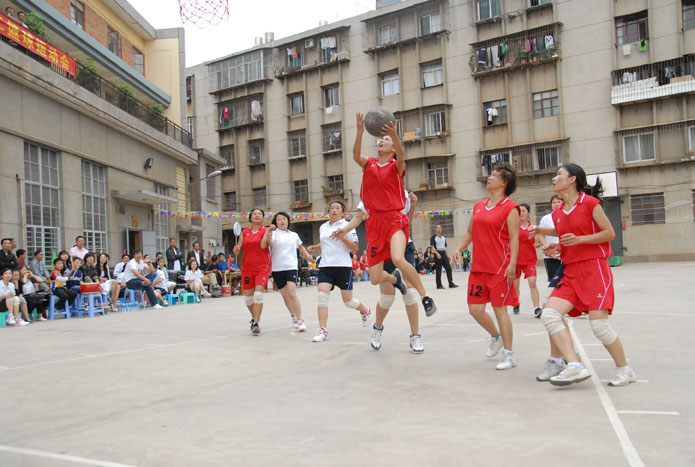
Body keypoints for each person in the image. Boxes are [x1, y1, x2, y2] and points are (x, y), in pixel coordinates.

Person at [532, 163, 636, 387]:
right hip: (570, 271)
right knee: (550, 314)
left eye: (558, 174)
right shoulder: (558, 212)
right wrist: (556, 245)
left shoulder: (590, 203)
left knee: (600, 327)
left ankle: (625, 369)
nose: (554, 178)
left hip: (594, 269)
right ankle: (574, 365)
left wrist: (580, 240)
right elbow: (564, 233)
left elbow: (609, 233)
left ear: (572, 179)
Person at [350, 113, 436, 316]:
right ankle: (395, 279)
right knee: (374, 278)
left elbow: (402, 155)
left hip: (394, 218)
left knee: (398, 258)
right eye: (380, 139)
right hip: (374, 222)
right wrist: (360, 131)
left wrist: (394, 134)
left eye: (386, 140)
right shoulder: (369, 164)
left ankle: (426, 297)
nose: (381, 141)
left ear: (393, 149)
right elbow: (356, 156)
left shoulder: (396, 166)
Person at [335, 190, 425, 352]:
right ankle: (378, 328)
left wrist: (413, 206)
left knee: (409, 293)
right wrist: (345, 229)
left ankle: (415, 336)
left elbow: (407, 221)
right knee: (387, 298)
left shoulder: (403, 194)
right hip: (382, 246)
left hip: (403, 244)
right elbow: (358, 217)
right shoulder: (372, 191)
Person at [454, 164, 520, 371]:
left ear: (504, 182)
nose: (489, 178)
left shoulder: (510, 208)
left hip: (499, 267)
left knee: (500, 310)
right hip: (479, 267)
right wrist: (459, 248)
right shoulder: (479, 206)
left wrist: (512, 264)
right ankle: (496, 337)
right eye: (490, 174)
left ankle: (509, 354)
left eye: (494, 175)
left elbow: (515, 238)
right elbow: (470, 232)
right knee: (475, 310)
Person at [306, 201, 371, 342]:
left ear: (343, 212)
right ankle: (322, 330)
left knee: (348, 301)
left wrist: (342, 236)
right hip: (326, 266)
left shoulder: (347, 226)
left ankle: (365, 310)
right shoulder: (323, 226)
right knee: (322, 296)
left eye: (337, 208)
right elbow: (327, 243)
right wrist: (316, 247)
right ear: (328, 211)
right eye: (332, 208)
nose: (334, 210)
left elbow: (354, 248)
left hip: (343, 266)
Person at [264, 212, 313, 332]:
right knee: (285, 295)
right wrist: (269, 234)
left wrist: (307, 255)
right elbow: (270, 243)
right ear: (276, 222)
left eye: (284, 219)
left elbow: (300, 246)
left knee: (292, 293)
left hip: (291, 266)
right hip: (277, 268)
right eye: (279, 219)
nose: (282, 221)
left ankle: (300, 319)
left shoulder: (294, 235)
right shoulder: (273, 234)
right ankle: (293, 316)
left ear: (288, 221)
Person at [233, 208, 271, 334]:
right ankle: (255, 317)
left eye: (260, 214)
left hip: (262, 267)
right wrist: (236, 249)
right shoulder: (245, 232)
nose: (257, 215)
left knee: (258, 295)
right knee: (248, 299)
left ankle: (256, 323)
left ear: (263, 218)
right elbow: (239, 248)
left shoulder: (266, 230)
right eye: (254, 214)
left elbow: (267, 244)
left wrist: (269, 234)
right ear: (250, 217)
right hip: (247, 267)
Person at [535, 194, 564, 316]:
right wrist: (545, 245)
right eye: (554, 202)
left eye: (558, 202)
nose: (556, 204)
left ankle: (562, 306)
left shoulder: (566, 215)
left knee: (565, 281)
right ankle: (548, 306)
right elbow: (540, 233)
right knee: (554, 281)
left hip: (564, 254)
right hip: (550, 256)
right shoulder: (546, 219)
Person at [512, 203, 541, 316]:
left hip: (529, 260)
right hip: (516, 261)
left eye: (523, 211)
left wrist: (538, 243)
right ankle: (516, 303)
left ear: (528, 213)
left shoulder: (533, 228)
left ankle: (537, 308)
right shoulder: (513, 227)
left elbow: (537, 241)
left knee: (532, 283)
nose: (521, 213)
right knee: (515, 286)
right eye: (519, 211)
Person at [430, 225, 458, 289]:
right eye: (437, 228)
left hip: (443, 253)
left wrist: (447, 255)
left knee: (448, 268)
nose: (439, 229)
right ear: (435, 229)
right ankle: (439, 285)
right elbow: (432, 247)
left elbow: (445, 247)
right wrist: (437, 254)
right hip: (438, 253)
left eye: (440, 228)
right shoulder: (433, 237)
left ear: (442, 229)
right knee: (438, 270)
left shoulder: (443, 238)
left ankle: (451, 283)